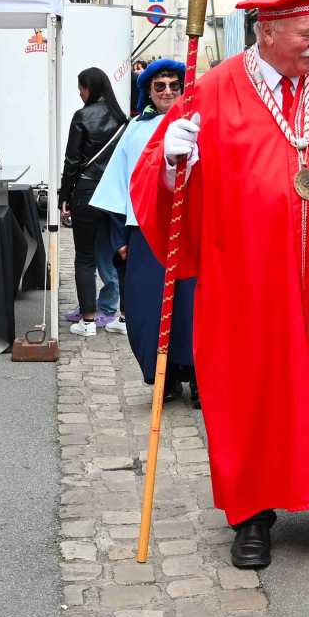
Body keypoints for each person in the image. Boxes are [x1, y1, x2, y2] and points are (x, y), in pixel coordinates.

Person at [131, 0, 309, 571]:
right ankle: (251, 514)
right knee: (249, 394)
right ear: (267, 33)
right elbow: (159, 183)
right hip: (244, 279)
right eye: (308, 33)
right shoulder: (213, 90)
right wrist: (172, 162)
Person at [91, 60, 197, 405]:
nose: (167, 91)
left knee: (192, 306)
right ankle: (164, 375)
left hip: (191, 231)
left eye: (174, 85)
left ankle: (198, 376)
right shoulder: (135, 130)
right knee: (147, 308)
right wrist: (120, 239)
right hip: (146, 231)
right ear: (148, 92)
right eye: (159, 86)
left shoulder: (200, 124)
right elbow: (118, 184)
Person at [60, 68, 128, 336]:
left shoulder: (82, 116)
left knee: (85, 258)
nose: (80, 93)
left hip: (87, 193)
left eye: (81, 88)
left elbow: (72, 161)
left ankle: (87, 320)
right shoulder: (122, 119)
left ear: (89, 88)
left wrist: (64, 196)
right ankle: (119, 316)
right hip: (115, 195)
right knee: (117, 254)